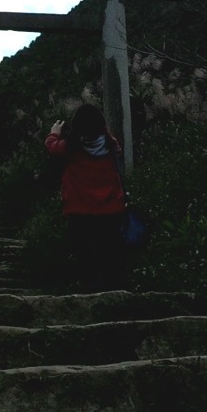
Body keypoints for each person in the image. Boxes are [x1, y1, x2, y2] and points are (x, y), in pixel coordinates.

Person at [45, 104, 126, 291]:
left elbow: (52, 147)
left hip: (79, 210)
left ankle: (90, 291)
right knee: (110, 253)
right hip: (111, 208)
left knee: (86, 255)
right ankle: (114, 290)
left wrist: (54, 132)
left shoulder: (71, 147)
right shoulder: (112, 145)